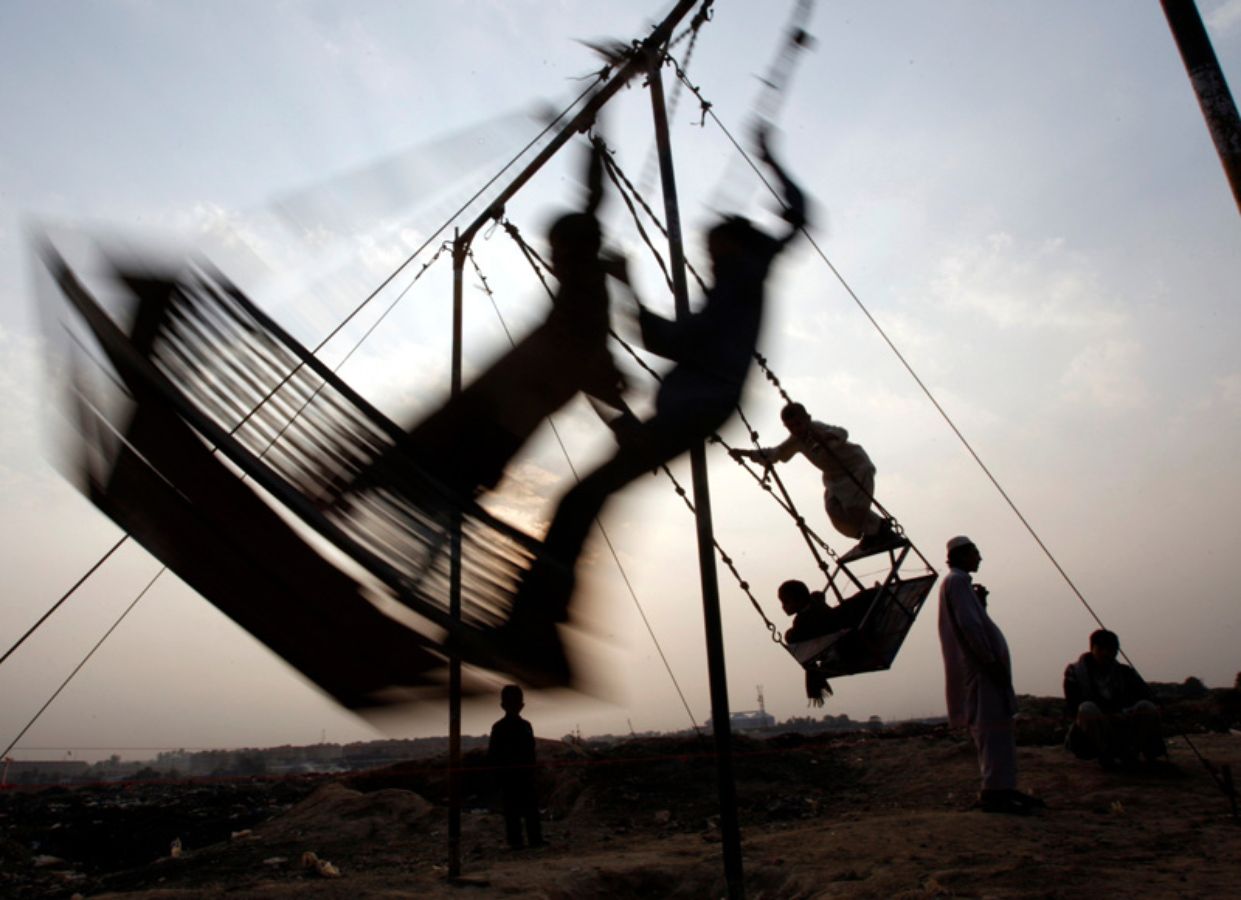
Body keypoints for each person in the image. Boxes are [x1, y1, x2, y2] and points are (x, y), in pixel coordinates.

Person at [497, 126, 808, 686]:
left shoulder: (743, 277)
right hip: (686, 410)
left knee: (582, 497)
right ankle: (539, 622)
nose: (707, 261)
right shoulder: (735, 288)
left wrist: (627, 284)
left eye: (713, 251)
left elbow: (663, 338)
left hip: (694, 409)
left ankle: (536, 627)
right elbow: (663, 337)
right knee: (585, 495)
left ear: (734, 246)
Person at [338, 137, 626, 507]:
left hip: (509, 399)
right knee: (451, 453)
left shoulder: (582, 286)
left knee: (444, 445)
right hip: (512, 404)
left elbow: (593, 204)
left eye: (556, 250)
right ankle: (367, 486)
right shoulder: (587, 295)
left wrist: (595, 149)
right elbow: (593, 204)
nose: (552, 259)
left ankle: (359, 486)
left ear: (570, 249)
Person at [937, 535, 1042, 814]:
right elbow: (970, 627)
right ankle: (995, 791)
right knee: (991, 728)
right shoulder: (957, 582)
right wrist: (990, 661)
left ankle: (1003, 787)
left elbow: (972, 620)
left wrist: (979, 604)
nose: (980, 558)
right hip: (981, 668)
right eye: (975, 553)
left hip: (982, 667)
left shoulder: (958, 583)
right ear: (962, 555)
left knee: (998, 728)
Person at [730, 403, 902, 561]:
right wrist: (746, 453)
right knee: (834, 509)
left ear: (807, 419)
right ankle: (873, 531)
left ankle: (880, 530)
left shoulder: (817, 428)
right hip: (834, 478)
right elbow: (776, 453)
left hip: (855, 468)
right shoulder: (796, 440)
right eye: (791, 427)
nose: (796, 429)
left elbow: (841, 432)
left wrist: (827, 437)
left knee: (854, 508)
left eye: (798, 424)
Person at [1064, 629, 1165, 768]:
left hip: (1124, 723)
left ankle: (1136, 754)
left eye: (1111, 650)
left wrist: (1124, 713)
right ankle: (1104, 755)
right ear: (1092, 649)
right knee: (1086, 709)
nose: (1106, 653)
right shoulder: (1074, 672)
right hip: (1094, 729)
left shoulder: (1126, 672)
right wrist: (1108, 715)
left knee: (1147, 707)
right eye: (1101, 649)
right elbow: (1073, 705)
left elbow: (1143, 695)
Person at [487, 684, 544, 850]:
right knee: (528, 809)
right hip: (520, 775)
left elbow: (493, 754)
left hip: (511, 775)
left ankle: (518, 841)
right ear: (522, 705)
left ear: (502, 705)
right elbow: (530, 751)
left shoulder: (499, 727)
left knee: (514, 810)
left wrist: (497, 776)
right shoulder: (525, 726)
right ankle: (533, 839)